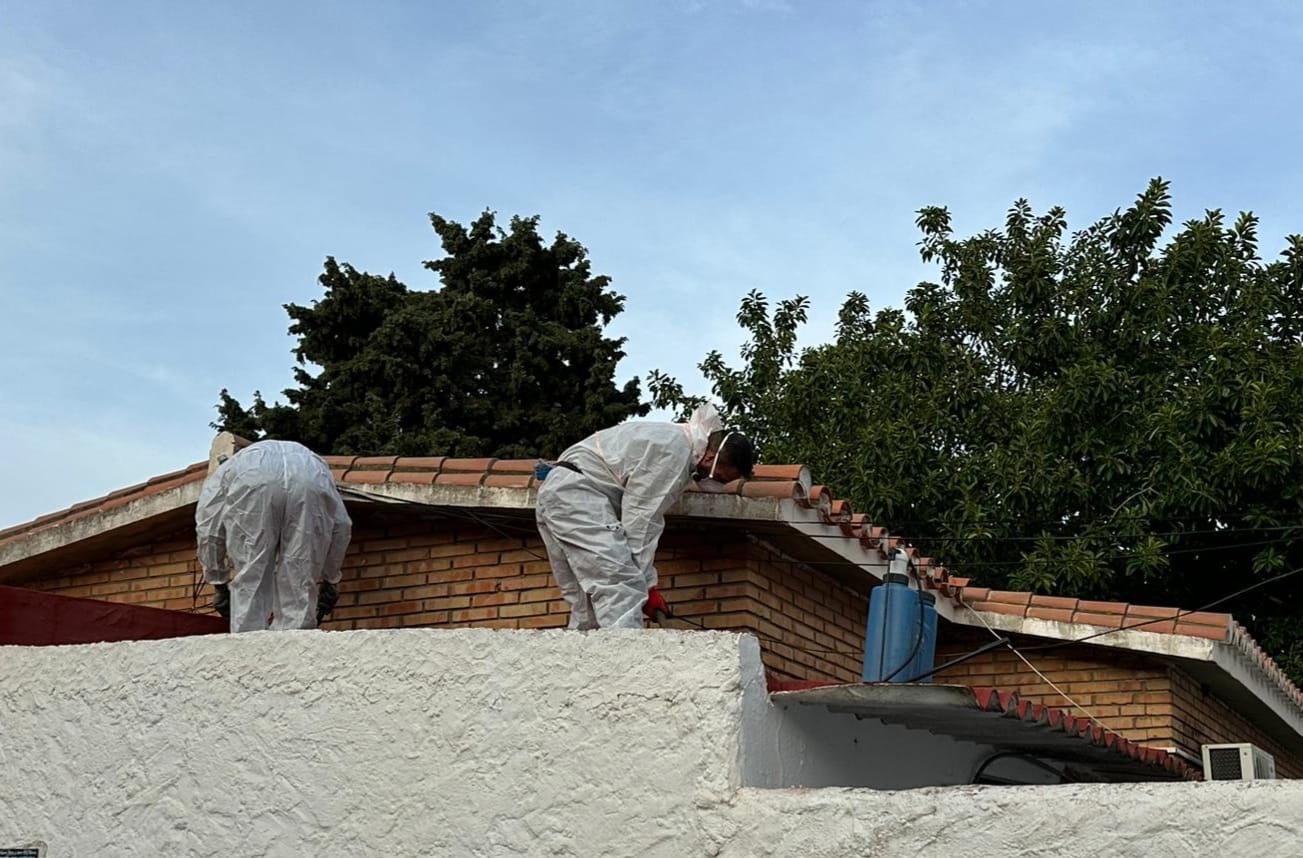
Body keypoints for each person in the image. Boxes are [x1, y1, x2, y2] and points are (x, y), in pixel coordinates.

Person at [535, 404, 756, 629]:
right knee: (622, 586)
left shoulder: (672, 439)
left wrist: (646, 584)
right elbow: (641, 522)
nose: (714, 483)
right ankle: (626, 659)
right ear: (710, 458)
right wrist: (646, 586)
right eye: (718, 477)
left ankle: (584, 660)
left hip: (559, 492)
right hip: (579, 494)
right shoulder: (674, 453)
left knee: (587, 603)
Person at [195, 440, 352, 632]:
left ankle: (248, 642)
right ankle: (296, 639)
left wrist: (217, 580)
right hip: (310, 477)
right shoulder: (317, 463)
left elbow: (209, 528)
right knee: (300, 573)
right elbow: (341, 525)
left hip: (251, 477)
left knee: (252, 570)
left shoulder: (229, 466)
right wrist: (331, 579)